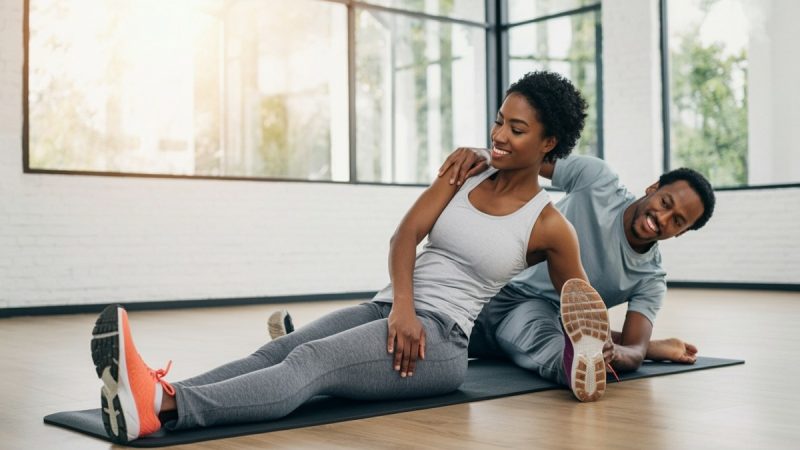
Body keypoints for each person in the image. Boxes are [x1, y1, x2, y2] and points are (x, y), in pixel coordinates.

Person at [89, 70, 606, 445]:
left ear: (549, 142)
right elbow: (405, 236)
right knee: (278, 352)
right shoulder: (465, 171)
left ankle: (165, 407)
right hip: (388, 309)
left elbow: (578, 304)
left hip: (440, 341)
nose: (498, 136)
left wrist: (601, 351)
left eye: (516, 130)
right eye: (498, 121)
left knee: (311, 363)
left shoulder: (549, 224)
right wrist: (401, 306)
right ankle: (155, 392)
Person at [433, 146, 716, 387]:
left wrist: (610, 354)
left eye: (677, 221)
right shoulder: (598, 180)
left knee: (547, 344)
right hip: (489, 278)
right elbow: (529, 160)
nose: (664, 218)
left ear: (680, 233)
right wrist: (481, 153)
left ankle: (582, 364)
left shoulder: (650, 280)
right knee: (415, 323)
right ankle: (633, 347)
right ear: (653, 188)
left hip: (536, 313)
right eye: (665, 202)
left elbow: (634, 350)